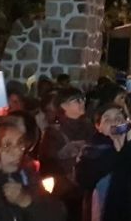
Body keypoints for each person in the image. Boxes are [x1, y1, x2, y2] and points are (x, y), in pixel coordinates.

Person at [75, 103, 131, 221]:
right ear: (98, 126)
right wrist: (118, 151)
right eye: (107, 119)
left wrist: (129, 144)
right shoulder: (90, 150)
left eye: (118, 118)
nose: (114, 122)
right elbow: (84, 179)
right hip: (102, 211)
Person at [39, 87, 94, 221]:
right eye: (76, 100)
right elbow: (48, 164)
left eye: (83, 100)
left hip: (86, 189)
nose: (82, 103)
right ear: (63, 105)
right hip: (64, 192)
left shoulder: (89, 127)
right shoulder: (53, 133)